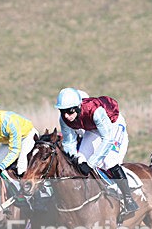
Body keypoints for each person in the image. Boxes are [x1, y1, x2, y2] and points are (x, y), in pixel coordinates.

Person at [54, 87, 138, 218]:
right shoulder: (64, 119)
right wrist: (77, 159)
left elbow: (108, 138)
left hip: (113, 125)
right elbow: (68, 143)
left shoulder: (95, 111)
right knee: (81, 158)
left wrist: (91, 164)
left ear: (78, 107)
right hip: (93, 129)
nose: (66, 116)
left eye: (69, 112)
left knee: (109, 162)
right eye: (62, 111)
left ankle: (128, 199)